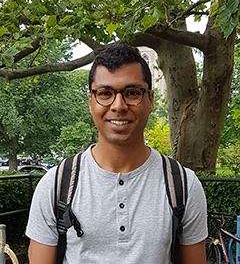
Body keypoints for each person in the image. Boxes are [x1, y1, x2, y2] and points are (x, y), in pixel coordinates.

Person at [26, 44, 208, 264]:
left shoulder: (183, 186)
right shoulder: (55, 186)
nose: (118, 105)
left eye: (132, 93)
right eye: (105, 93)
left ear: (150, 100)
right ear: (91, 102)